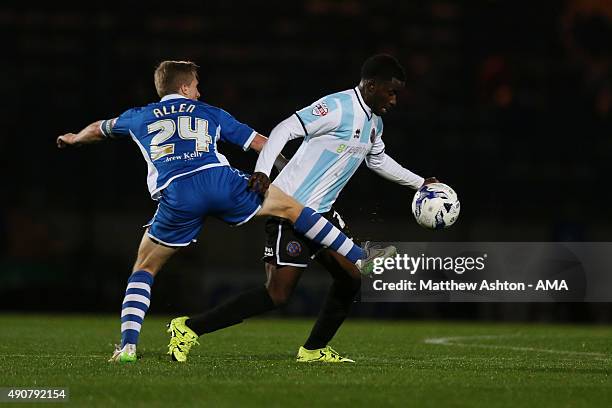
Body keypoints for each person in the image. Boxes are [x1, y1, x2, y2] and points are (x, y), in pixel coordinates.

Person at [56, 60, 395, 363]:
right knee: (294, 207)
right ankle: (360, 256)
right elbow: (261, 142)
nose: (200, 93)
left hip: (177, 195)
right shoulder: (210, 113)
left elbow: (99, 128)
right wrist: (285, 168)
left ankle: (128, 346)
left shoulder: (137, 116)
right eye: (197, 87)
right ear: (185, 88)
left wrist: (73, 138)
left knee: (144, 267)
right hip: (220, 182)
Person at [169, 54, 437, 363]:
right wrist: (263, 171)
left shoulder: (374, 122)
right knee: (277, 294)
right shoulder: (337, 107)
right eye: (390, 91)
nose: (394, 99)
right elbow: (284, 129)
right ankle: (188, 327)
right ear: (371, 85)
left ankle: (313, 350)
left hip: (323, 216)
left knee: (351, 278)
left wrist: (420, 183)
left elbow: (377, 159)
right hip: (290, 212)